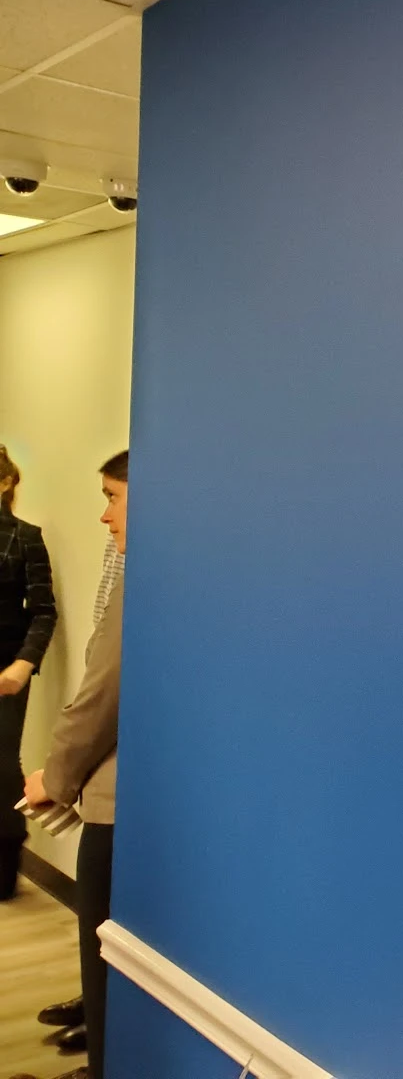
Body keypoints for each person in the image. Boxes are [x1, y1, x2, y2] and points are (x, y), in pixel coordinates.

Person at [21, 451, 127, 1079]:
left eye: (113, 497)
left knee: (105, 942)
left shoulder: (149, 581)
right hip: (128, 790)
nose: (103, 516)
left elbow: (101, 697)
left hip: (117, 801)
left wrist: (56, 780)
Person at [0, 443, 57, 900]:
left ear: (6, 483)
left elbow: (44, 611)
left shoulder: (26, 537)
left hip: (5, 672)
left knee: (2, 766)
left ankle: (3, 872)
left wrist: (25, 662)